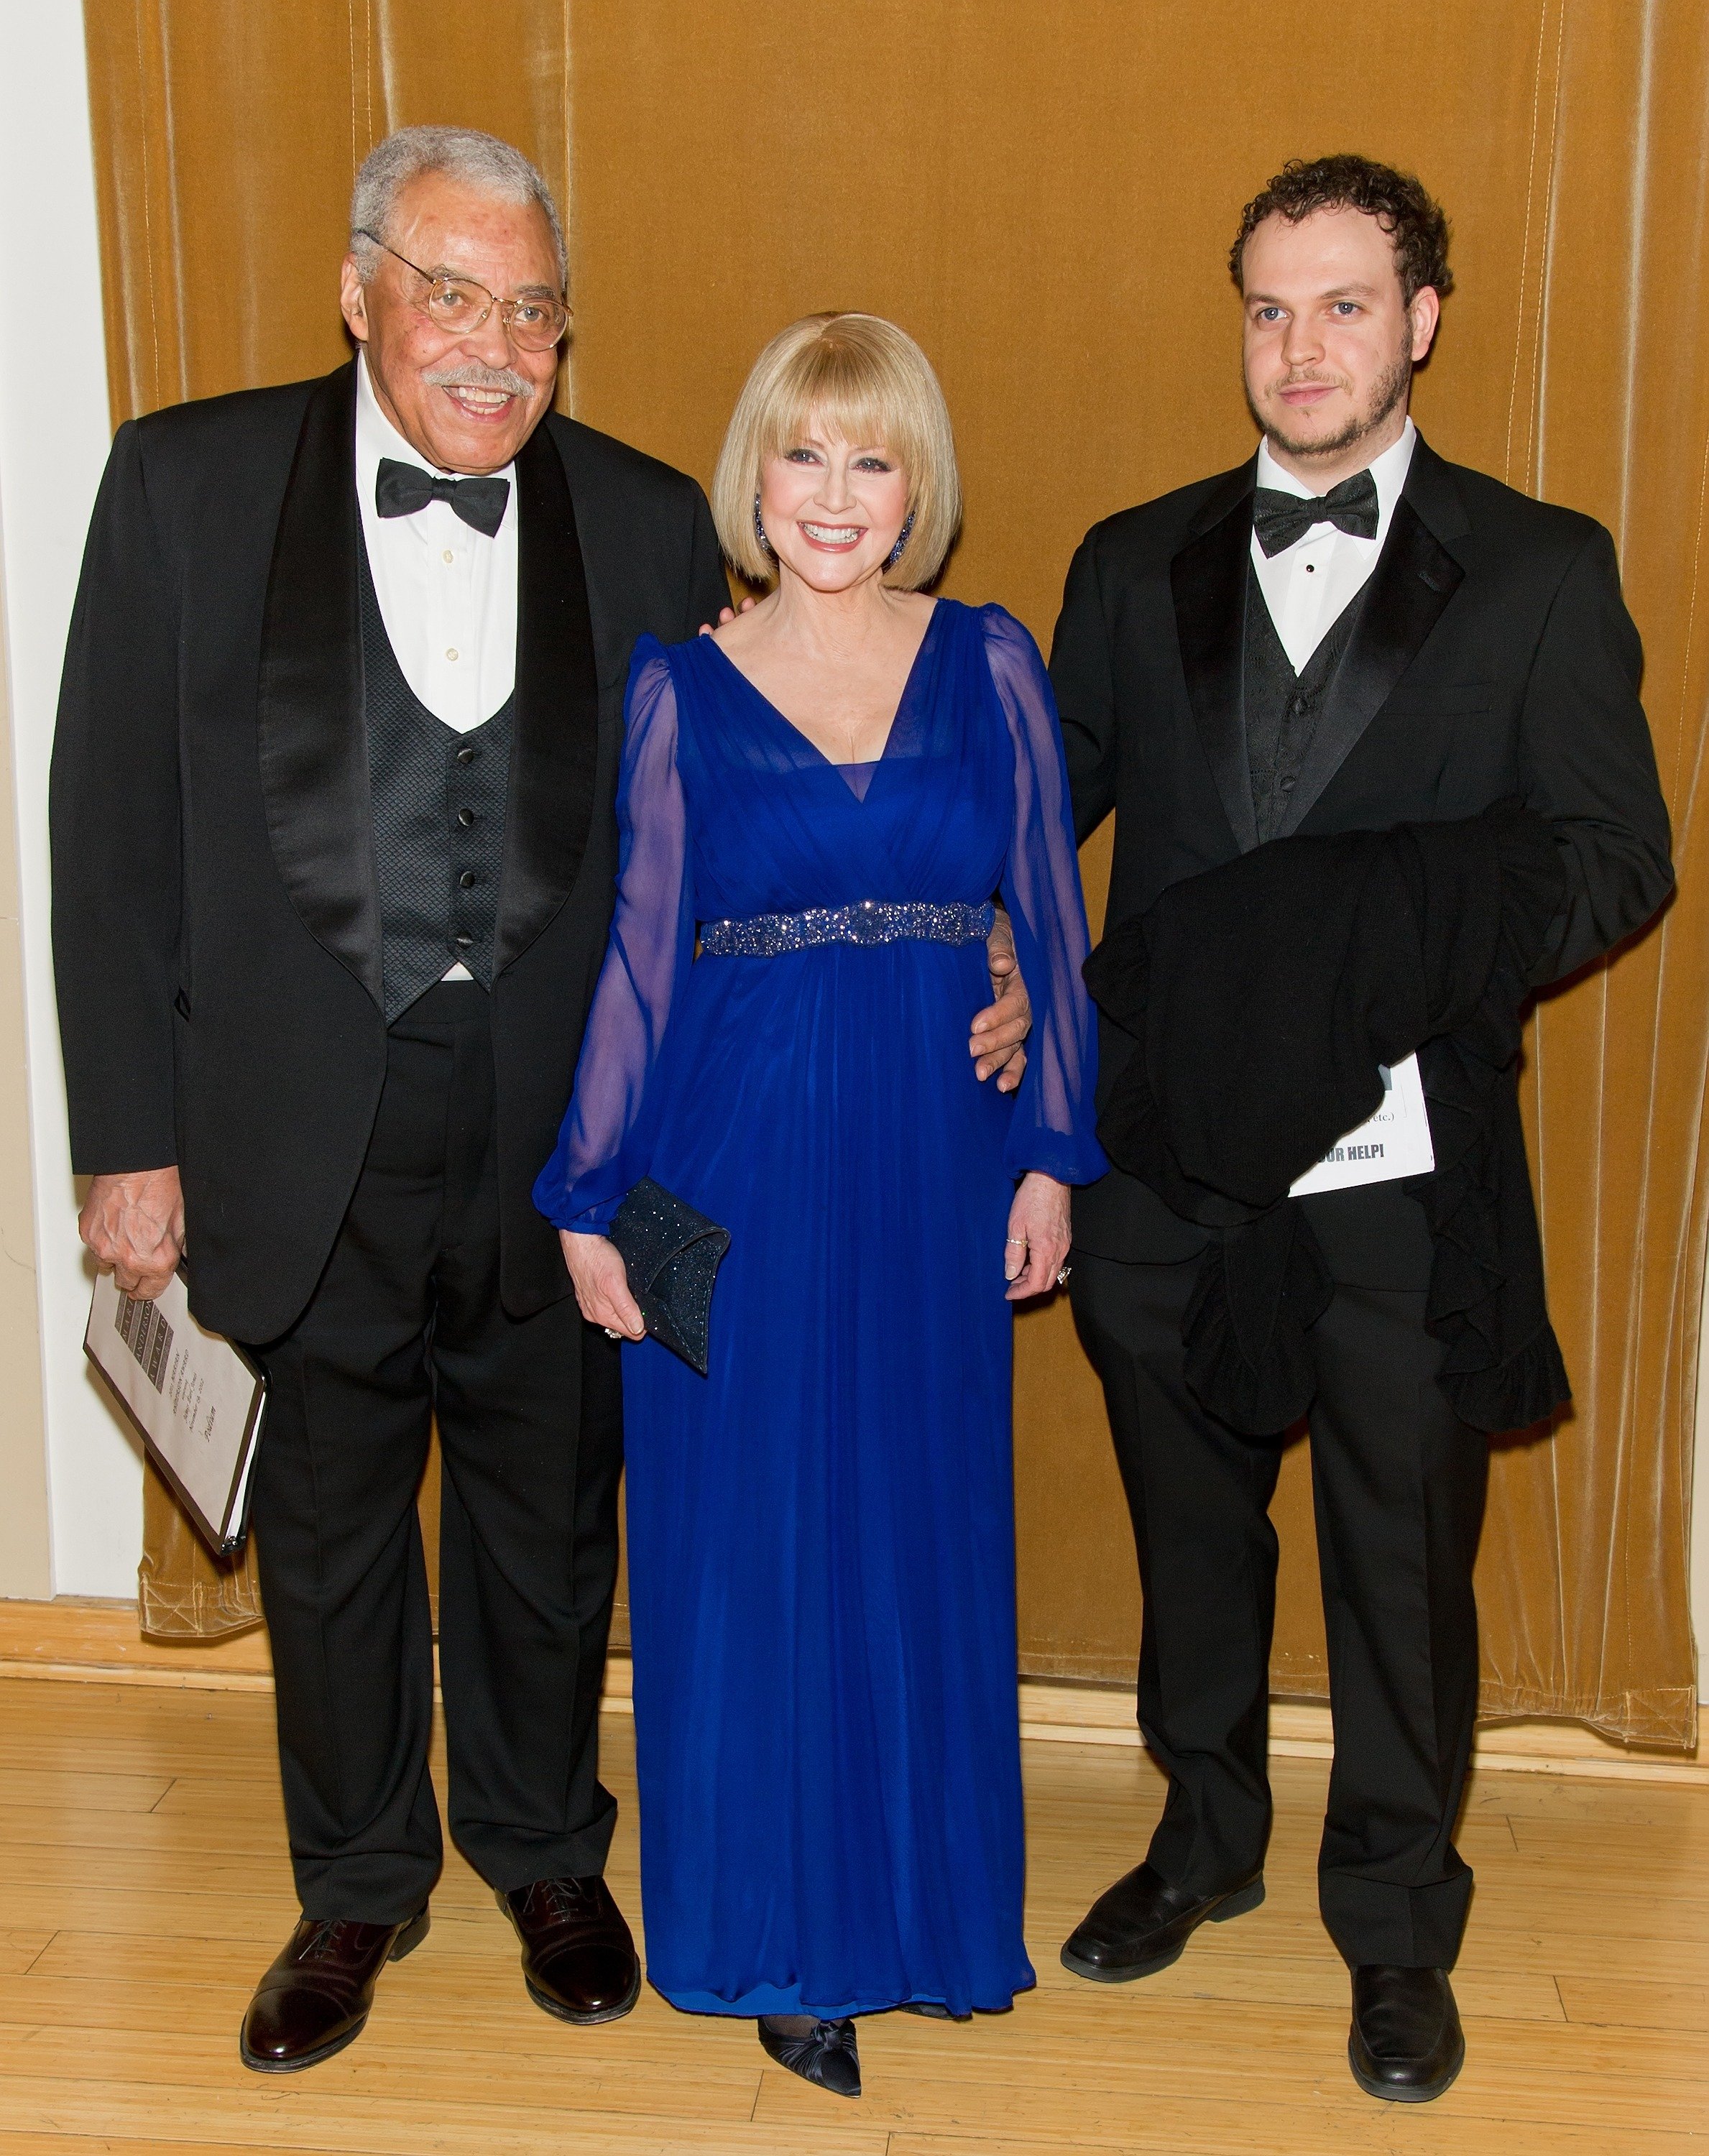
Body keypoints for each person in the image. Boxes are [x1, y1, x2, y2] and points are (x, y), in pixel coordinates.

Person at [50, 127, 1030, 2074]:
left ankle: (540, 1849)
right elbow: (105, 838)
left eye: (528, 309)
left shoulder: (659, 517)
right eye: (446, 292)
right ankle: (355, 1888)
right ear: (358, 289)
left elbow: (789, 796)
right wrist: (125, 1144)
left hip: (588, 1136)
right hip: (289, 1122)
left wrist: (981, 945)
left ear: (564, 335)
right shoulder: (182, 483)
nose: (489, 346)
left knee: (545, 1512)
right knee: (327, 1528)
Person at [1049, 155, 1672, 2104]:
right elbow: (1016, 827)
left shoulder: (1542, 566)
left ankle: (1397, 1925)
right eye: (1264, 306)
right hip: (1168, 1176)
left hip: (1405, 1174)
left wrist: (1400, 955)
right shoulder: (1126, 560)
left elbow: (1615, 860)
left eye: (1338, 304)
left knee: (1401, 1565)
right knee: (1191, 1538)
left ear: (1419, 321)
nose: (1296, 345)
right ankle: (1204, 1839)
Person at [537, 311, 1105, 2099]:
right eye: (804, 454)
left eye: (873, 457)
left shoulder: (992, 661)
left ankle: (924, 1921)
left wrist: (1049, 1153)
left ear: (916, 481)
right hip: (727, 1168)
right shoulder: (673, 687)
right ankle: (773, 1944)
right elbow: (637, 963)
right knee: (745, 1554)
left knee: (915, 1538)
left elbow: (1050, 925)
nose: (836, 494)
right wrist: (585, 1196)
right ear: (754, 478)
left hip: (937, 1167)